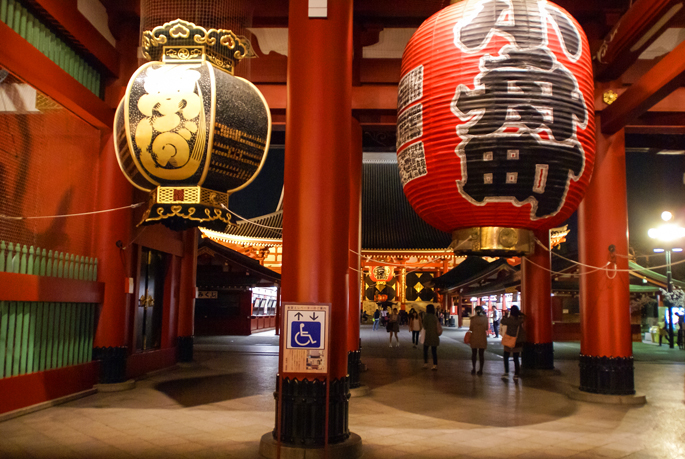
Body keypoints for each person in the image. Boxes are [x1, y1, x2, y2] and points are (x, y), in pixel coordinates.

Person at [500, 305, 526, 381]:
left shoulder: (508, 320)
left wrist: (505, 315)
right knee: (516, 358)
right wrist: (520, 313)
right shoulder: (519, 320)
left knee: (506, 357)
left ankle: (506, 372)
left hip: (508, 340)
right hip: (517, 341)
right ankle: (516, 374)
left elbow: (502, 321)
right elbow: (525, 317)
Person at [468, 305, 488, 375]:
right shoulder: (485, 318)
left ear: (475, 311)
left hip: (474, 337)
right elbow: (486, 328)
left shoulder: (473, 319)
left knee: (474, 354)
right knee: (481, 355)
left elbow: (471, 328)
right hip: (482, 337)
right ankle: (481, 370)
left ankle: (473, 368)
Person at [422, 304, 441, 370]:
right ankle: (435, 364)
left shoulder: (426, 316)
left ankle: (425, 363)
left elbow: (424, 326)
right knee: (434, 351)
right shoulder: (435, 316)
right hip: (435, 336)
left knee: (425, 350)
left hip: (428, 335)